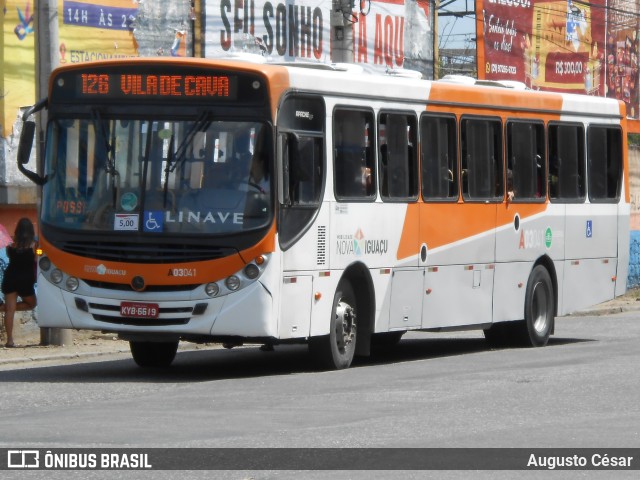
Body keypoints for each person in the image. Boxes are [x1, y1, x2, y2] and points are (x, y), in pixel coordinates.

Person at [0, 218, 37, 347]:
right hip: (25, 280)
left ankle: (9, 341)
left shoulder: (11, 244)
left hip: (10, 278)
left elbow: (10, 256)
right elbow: (38, 257)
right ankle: (8, 308)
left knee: (9, 310)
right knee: (32, 304)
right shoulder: (34, 245)